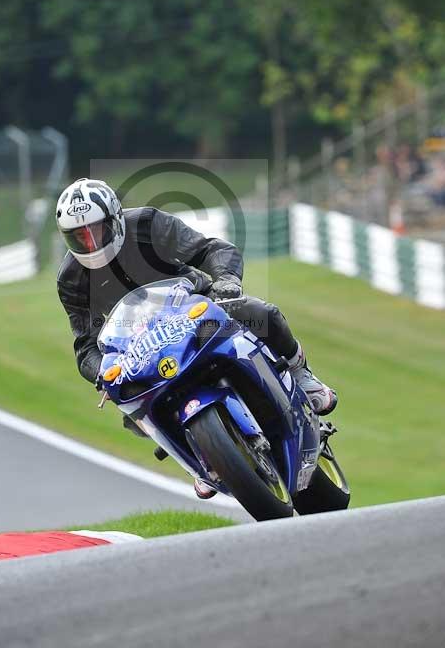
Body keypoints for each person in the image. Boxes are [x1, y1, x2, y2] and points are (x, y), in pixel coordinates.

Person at [56, 178, 337, 499]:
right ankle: (201, 457)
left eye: (96, 230)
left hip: (194, 307)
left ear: (116, 219)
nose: (90, 243)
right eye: (78, 236)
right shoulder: (72, 278)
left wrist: (227, 280)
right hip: (138, 346)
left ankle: (302, 374)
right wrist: (102, 373)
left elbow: (212, 250)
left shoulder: (147, 225)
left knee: (260, 312)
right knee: (132, 409)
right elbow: (86, 345)